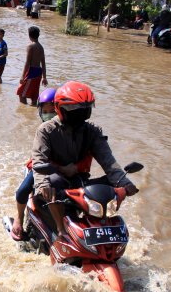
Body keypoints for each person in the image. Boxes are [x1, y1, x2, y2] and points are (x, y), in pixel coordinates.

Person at [32, 81, 139, 240]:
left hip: (80, 179)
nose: (79, 115)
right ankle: (61, 231)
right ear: (61, 109)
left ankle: (96, 227)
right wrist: (43, 184)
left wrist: (124, 183)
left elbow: (108, 161)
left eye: (84, 110)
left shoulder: (92, 132)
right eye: (74, 110)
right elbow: (39, 161)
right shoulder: (46, 130)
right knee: (52, 181)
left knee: (109, 185)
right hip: (55, 178)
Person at [9, 88, 58, 240]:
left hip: (63, 170)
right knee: (22, 191)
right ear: (41, 111)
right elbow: (39, 154)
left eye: (53, 111)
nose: (49, 114)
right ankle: (19, 219)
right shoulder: (43, 130)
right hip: (43, 168)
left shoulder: (71, 128)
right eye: (46, 111)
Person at [16, 26, 48, 106]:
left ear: (29, 35)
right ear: (38, 35)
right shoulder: (41, 47)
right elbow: (43, 63)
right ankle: (32, 112)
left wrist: (22, 76)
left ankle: (24, 113)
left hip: (31, 71)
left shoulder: (30, 46)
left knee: (21, 93)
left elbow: (27, 62)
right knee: (34, 94)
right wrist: (44, 77)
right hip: (38, 72)